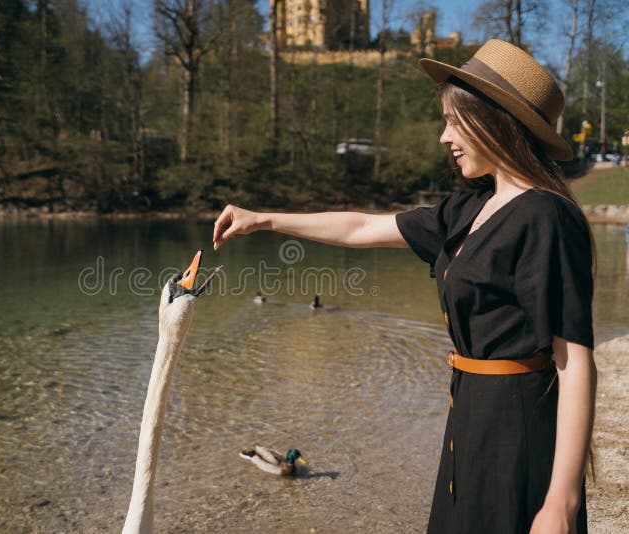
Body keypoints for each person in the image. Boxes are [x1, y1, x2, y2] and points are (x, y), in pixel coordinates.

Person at [212, 39, 596, 533]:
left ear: (495, 120)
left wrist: (561, 503)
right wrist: (262, 219)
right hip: (468, 416)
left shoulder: (545, 216)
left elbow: (576, 362)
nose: (443, 137)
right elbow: (361, 229)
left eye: (454, 121)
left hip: (517, 427)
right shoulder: (468, 209)